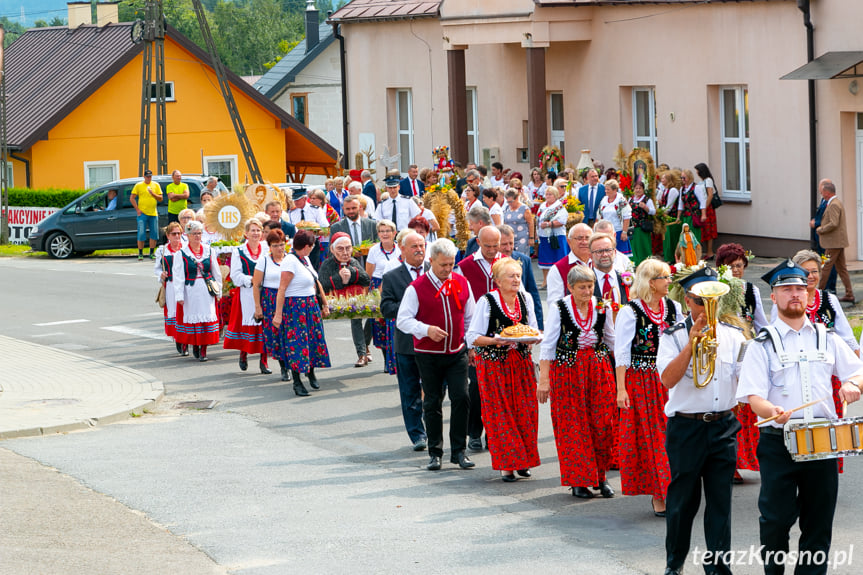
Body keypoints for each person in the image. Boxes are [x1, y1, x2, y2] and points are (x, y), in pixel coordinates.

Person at [737, 259, 863, 575]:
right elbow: (753, 397)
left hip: (822, 442)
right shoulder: (761, 344)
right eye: (786, 289)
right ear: (774, 297)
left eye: (800, 288)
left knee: (818, 524)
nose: (795, 294)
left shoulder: (827, 337)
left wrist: (852, 384)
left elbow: (859, 373)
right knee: (776, 521)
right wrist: (771, 411)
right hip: (779, 443)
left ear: (808, 294)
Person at [657, 267, 747, 575]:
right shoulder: (671, 336)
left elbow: (745, 381)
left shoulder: (734, 336)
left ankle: (719, 568)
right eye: (699, 300)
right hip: (686, 427)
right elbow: (668, 380)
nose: (706, 307)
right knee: (683, 502)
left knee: (721, 503)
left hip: (724, 426)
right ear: (687, 301)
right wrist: (690, 344)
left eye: (712, 299)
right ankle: (675, 563)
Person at [397, 238, 476, 471]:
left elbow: (470, 318)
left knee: (461, 397)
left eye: (451, 264)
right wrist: (426, 330)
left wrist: (470, 345)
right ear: (431, 261)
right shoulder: (417, 287)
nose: (447, 269)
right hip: (427, 353)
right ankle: (435, 452)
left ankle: (459, 451)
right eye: (443, 265)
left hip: (456, 351)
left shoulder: (462, 282)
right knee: (432, 401)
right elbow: (403, 320)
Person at [538, 264, 616, 497]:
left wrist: (624, 371)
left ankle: (600, 478)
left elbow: (611, 339)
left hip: (598, 370)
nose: (587, 291)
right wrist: (544, 380)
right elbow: (548, 345)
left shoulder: (602, 306)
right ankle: (578, 480)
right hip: (568, 372)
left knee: (602, 424)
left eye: (590, 286)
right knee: (573, 426)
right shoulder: (560, 307)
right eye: (581, 287)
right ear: (570, 287)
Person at [614, 258, 683, 517]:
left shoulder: (674, 307)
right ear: (651, 283)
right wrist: (621, 389)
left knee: (676, 434)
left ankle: (676, 489)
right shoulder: (630, 311)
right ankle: (660, 493)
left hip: (671, 379)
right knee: (653, 437)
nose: (669, 282)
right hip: (642, 380)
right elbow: (621, 353)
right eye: (664, 277)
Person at [467, 257, 540, 482]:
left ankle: (524, 459)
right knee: (501, 414)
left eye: (518, 275)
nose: (516, 279)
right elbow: (472, 337)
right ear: (497, 281)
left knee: (527, 412)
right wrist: (496, 341)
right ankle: (507, 465)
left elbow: (533, 329)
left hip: (521, 364)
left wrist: (532, 339)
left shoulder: (525, 298)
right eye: (511, 276)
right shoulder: (487, 301)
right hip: (493, 366)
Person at [716, 242, 768, 483]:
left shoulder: (751, 290)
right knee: (727, 407)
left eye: (739, 266)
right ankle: (729, 462)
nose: (736, 270)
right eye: (731, 266)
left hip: (747, 350)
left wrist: (769, 344)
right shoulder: (714, 288)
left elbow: (761, 323)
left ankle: (745, 458)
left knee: (746, 407)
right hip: (723, 352)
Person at [381, 231, 429, 451]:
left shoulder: (434, 270)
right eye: (414, 246)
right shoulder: (392, 276)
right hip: (407, 344)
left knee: (435, 390)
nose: (419, 249)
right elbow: (386, 308)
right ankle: (417, 434)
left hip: (433, 342)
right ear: (402, 248)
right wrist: (409, 309)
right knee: (410, 391)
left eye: (421, 245)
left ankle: (432, 427)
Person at [457, 225, 503, 451]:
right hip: (476, 334)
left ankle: (494, 434)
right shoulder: (465, 266)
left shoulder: (507, 262)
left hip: (503, 334)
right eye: (488, 246)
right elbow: (461, 302)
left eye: (496, 245)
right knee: (475, 386)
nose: (493, 250)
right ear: (478, 241)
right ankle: (474, 431)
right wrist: (467, 343)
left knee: (498, 390)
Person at [271, 230, 331, 396]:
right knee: (297, 344)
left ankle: (310, 372)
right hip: (296, 307)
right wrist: (278, 314)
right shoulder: (291, 261)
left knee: (312, 340)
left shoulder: (304, 259)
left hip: (310, 305)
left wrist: (324, 303)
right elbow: (282, 289)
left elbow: (315, 281)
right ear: (306, 246)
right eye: (311, 246)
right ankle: (297, 382)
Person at [223, 219, 270, 374]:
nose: (256, 233)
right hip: (247, 293)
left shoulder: (266, 250)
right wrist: (251, 280)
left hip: (265, 292)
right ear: (246, 233)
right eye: (253, 230)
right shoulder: (239, 251)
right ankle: (243, 354)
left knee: (264, 327)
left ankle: (264, 362)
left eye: (258, 230)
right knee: (248, 325)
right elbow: (235, 275)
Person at [318, 233, 372, 367]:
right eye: (340, 249)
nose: (345, 253)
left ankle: (362, 354)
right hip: (332, 302)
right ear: (332, 250)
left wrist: (353, 273)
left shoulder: (353, 262)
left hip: (353, 300)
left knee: (365, 318)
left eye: (348, 248)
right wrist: (339, 278)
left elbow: (366, 279)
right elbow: (322, 285)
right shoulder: (327, 264)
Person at [172, 221, 221, 362]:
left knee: (207, 317)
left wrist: (218, 290)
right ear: (187, 235)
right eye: (194, 234)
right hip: (191, 290)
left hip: (207, 289)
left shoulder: (209, 250)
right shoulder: (181, 254)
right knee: (194, 318)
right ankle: (195, 345)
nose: (197, 236)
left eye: (199, 233)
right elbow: (178, 276)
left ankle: (204, 349)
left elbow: (216, 272)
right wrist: (180, 295)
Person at [253, 229, 291, 381]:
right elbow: (256, 285)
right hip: (270, 299)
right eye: (275, 245)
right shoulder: (264, 260)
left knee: (289, 333)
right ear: (269, 246)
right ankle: (283, 367)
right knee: (276, 335)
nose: (279, 248)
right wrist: (257, 307)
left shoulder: (290, 259)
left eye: (282, 245)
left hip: (288, 298)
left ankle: (290, 364)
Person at [365, 219, 400, 372]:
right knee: (380, 325)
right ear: (378, 234)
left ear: (394, 233)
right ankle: (387, 359)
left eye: (388, 231)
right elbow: (369, 274)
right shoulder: (374, 250)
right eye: (381, 231)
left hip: (395, 285)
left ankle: (397, 358)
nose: (385, 234)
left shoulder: (400, 249)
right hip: (377, 286)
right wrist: (368, 294)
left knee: (394, 323)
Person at [813, 179, 854, 302]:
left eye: (822, 192)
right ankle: (849, 293)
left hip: (833, 243)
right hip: (837, 242)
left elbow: (834, 223)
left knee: (825, 267)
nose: (821, 195)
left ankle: (818, 293)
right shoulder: (836, 202)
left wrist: (821, 229)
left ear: (827, 192)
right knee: (841, 268)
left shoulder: (834, 204)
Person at [498, 224, 543, 330]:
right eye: (504, 244)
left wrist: (539, 324)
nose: (508, 248)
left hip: (520, 317)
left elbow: (532, 292)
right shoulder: (492, 261)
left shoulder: (523, 260)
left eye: (511, 243)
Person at [154, 221, 186, 355]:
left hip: (185, 285)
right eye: (174, 234)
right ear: (168, 235)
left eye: (179, 233)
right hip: (171, 285)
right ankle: (178, 339)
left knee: (185, 312)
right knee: (174, 311)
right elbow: (157, 269)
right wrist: (161, 274)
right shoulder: (163, 250)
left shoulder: (185, 248)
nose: (177, 236)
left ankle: (185, 339)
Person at [547, 223, 592, 302]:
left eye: (588, 238)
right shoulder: (558, 269)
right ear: (569, 241)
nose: (584, 242)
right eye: (579, 238)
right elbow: (555, 303)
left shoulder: (599, 263)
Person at [330, 195, 379, 266]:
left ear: (360, 207)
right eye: (348, 209)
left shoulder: (372, 224)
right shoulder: (336, 227)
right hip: (346, 268)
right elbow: (331, 251)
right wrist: (349, 252)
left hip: (369, 267)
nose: (351, 211)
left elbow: (380, 245)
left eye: (354, 208)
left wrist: (370, 248)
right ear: (343, 209)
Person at [536, 183, 570, 285]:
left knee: (558, 259)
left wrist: (548, 224)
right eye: (547, 194)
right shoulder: (542, 206)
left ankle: (561, 280)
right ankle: (545, 280)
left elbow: (562, 221)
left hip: (556, 237)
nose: (548, 196)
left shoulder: (559, 207)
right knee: (545, 258)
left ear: (555, 196)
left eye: (550, 194)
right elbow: (538, 219)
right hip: (544, 236)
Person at [130, 169, 163, 261]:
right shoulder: (139, 185)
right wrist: (137, 209)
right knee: (141, 233)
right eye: (147, 176)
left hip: (153, 213)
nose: (149, 178)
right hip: (142, 213)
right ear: (144, 177)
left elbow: (160, 198)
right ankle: (140, 253)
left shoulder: (156, 185)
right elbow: (132, 198)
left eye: (150, 176)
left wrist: (153, 194)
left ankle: (151, 253)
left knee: (154, 233)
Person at [590, 233, 630, 305]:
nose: (604, 254)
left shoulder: (627, 280)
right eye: (599, 251)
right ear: (590, 255)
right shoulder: (584, 281)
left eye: (608, 250)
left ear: (615, 252)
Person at [597, 179, 632, 256]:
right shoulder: (604, 200)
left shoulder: (621, 201)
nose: (606, 191)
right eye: (605, 189)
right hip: (605, 232)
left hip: (618, 231)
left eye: (608, 189)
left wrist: (624, 232)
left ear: (615, 190)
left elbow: (627, 217)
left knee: (620, 255)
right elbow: (599, 215)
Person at [695, 163, 719, 260]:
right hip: (703, 207)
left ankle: (710, 252)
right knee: (705, 230)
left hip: (707, 208)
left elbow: (710, 195)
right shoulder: (702, 181)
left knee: (709, 230)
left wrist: (704, 207)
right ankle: (708, 252)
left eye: (697, 170)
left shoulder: (708, 180)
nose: (696, 172)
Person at [628, 181, 655, 266]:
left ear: (643, 189)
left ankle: (646, 263)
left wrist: (645, 207)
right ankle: (635, 263)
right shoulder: (631, 199)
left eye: (640, 188)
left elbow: (653, 212)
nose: (638, 190)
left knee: (643, 245)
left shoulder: (647, 199)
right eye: (636, 188)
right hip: (632, 227)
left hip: (642, 227)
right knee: (634, 245)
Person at [678, 169, 707, 246]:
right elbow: (680, 204)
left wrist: (703, 214)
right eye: (681, 178)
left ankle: (695, 254)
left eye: (684, 178)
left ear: (689, 177)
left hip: (694, 215)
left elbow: (702, 201)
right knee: (685, 236)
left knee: (694, 236)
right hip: (686, 216)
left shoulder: (696, 187)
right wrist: (678, 217)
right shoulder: (682, 189)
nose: (682, 180)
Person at [502, 189, 534, 257]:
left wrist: (531, 238)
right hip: (510, 238)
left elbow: (530, 223)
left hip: (522, 238)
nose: (510, 203)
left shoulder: (524, 209)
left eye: (511, 201)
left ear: (516, 198)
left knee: (521, 257)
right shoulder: (507, 208)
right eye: (508, 202)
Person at [659, 170, 682, 263]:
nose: (662, 179)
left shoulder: (673, 190)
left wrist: (661, 212)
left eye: (664, 178)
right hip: (666, 218)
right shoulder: (665, 190)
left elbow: (669, 206)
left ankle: (672, 258)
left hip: (672, 218)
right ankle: (668, 257)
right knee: (666, 239)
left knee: (671, 239)